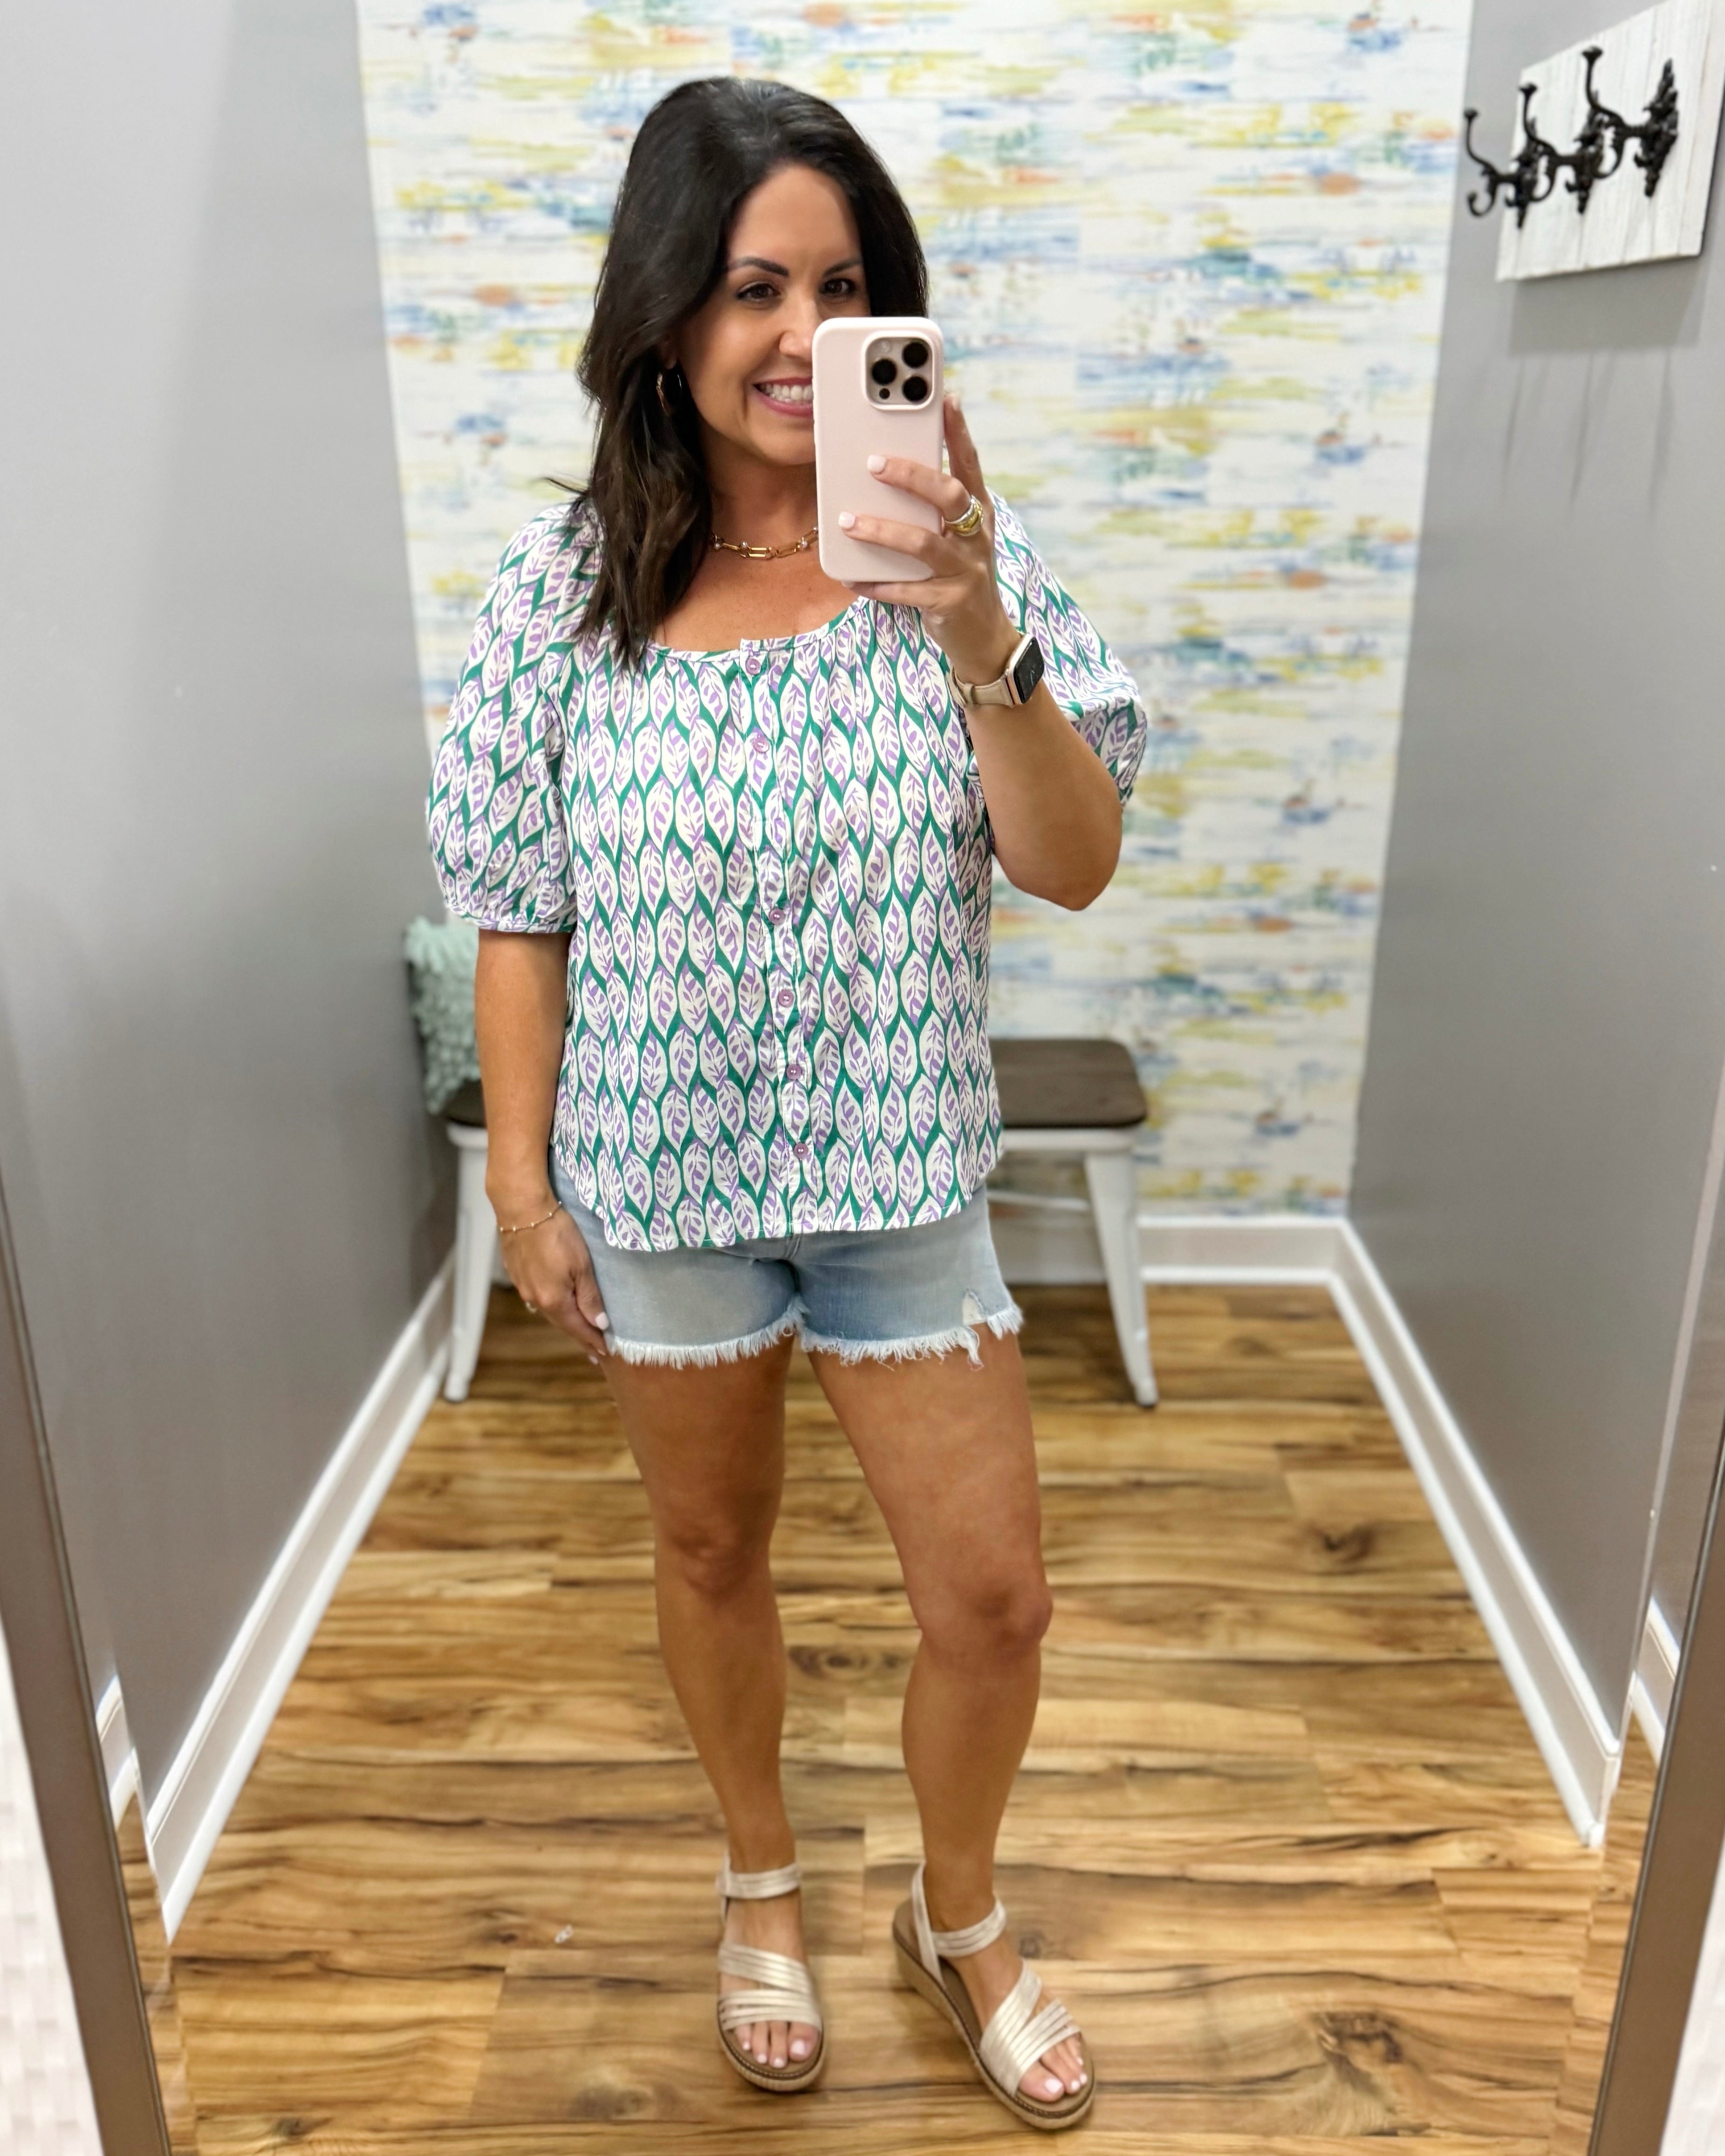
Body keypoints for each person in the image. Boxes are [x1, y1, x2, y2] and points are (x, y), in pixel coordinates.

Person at [428, 74, 1145, 2131]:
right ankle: (760, 1876)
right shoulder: (566, 594)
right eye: (750, 284)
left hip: (900, 1172)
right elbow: (516, 910)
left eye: (843, 289)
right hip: (659, 1187)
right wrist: (530, 1190)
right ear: (664, 310)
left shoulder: (958, 575)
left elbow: (1070, 859)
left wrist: (975, 629)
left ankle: (959, 1907)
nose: (794, 335)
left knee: (989, 1592)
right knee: (708, 1545)